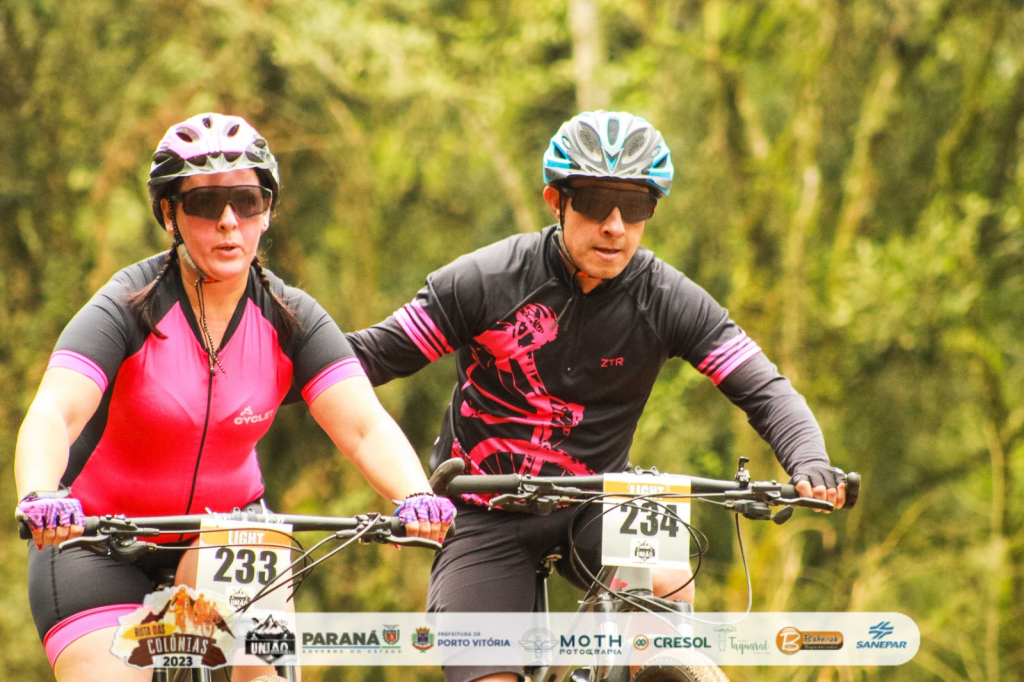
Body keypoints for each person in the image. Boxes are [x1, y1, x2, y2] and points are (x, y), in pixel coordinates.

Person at [347, 110, 848, 682]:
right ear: (555, 201)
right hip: (481, 511)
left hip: (595, 499)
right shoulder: (485, 281)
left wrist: (809, 460)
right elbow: (357, 363)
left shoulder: (667, 298)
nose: (614, 226)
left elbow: (764, 388)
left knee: (664, 578)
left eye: (634, 206)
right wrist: (272, 364)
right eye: (593, 202)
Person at [13, 112, 455, 681]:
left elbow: (364, 425)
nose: (228, 222)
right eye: (205, 203)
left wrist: (414, 495)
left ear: (266, 212)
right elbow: (54, 411)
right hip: (97, 540)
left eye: (246, 201)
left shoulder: (291, 318)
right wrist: (41, 494)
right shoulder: (125, 306)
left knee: (262, 672)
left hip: (227, 533)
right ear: (169, 214)